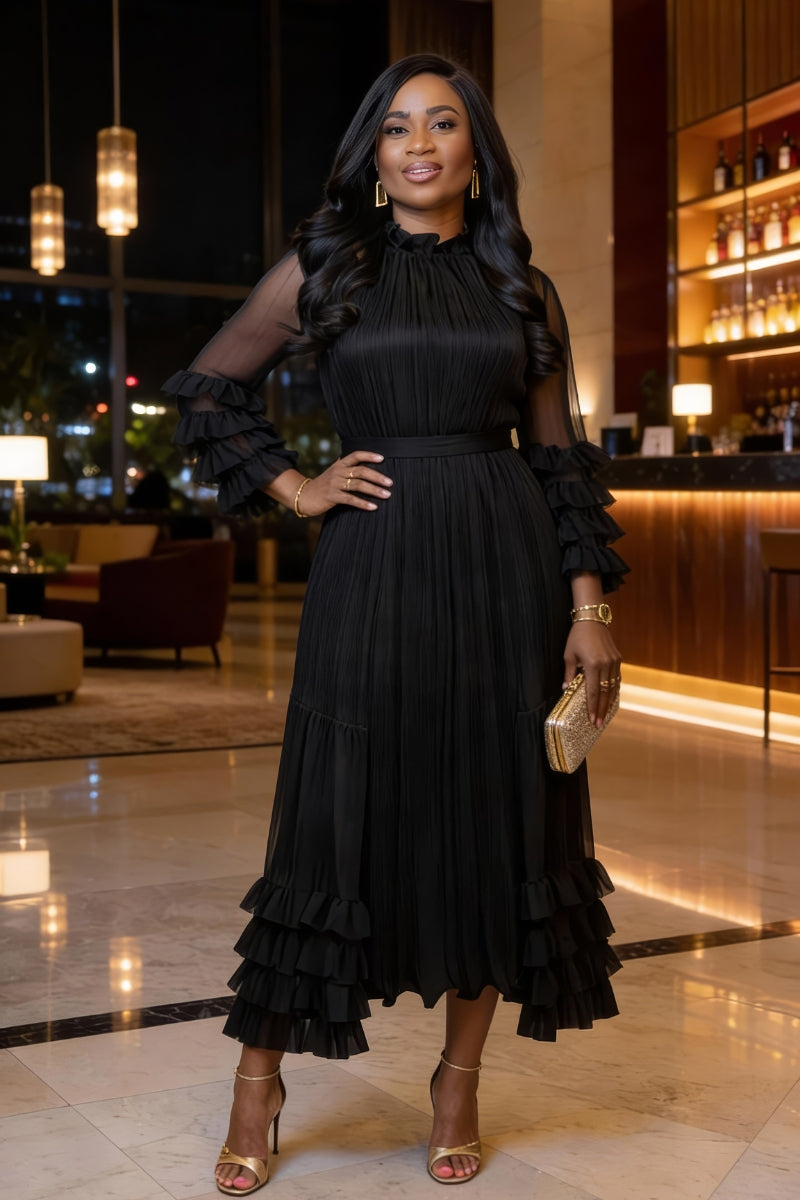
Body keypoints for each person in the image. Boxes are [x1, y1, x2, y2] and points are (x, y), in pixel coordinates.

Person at [163, 53, 627, 1195]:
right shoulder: (327, 266)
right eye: (397, 128)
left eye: (443, 124)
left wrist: (587, 607)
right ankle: (257, 1081)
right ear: (373, 154)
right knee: (334, 820)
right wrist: (297, 490)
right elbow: (210, 389)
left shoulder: (521, 280)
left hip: (502, 567)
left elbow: (557, 456)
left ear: (475, 149)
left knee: (495, 817)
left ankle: (457, 1080)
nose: (419, 144)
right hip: (370, 567)